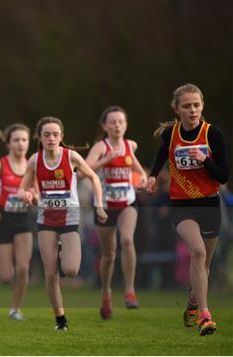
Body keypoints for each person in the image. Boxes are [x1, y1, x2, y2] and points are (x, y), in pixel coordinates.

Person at [146, 83, 228, 336]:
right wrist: (152, 177)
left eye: (196, 105)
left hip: (209, 204)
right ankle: (205, 315)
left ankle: (193, 300)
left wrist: (205, 161)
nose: (192, 110)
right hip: (181, 206)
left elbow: (223, 176)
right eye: (186, 106)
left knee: (203, 263)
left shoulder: (213, 134)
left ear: (202, 106)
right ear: (176, 108)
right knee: (197, 251)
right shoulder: (170, 135)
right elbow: (162, 154)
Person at [18, 116, 107, 331]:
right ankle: (61, 319)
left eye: (55, 134)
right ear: (40, 137)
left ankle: (62, 250)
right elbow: (23, 187)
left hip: (69, 218)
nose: (51, 138)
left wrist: (99, 206)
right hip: (46, 220)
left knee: (71, 270)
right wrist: (26, 195)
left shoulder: (71, 157)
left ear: (62, 137)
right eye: (46, 134)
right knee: (50, 274)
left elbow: (94, 178)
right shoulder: (35, 160)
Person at [85, 106, 147, 319]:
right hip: (104, 206)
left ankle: (130, 291)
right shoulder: (101, 147)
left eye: (121, 121)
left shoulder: (131, 145)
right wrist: (106, 159)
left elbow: (139, 172)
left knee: (128, 241)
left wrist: (144, 181)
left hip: (127, 203)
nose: (117, 125)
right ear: (105, 126)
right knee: (109, 255)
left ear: (126, 125)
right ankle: (106, 293)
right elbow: (86, 169)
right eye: (112, 122)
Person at [0, 123, 34, 320]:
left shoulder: (33, 165)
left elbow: (38, 192)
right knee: (6, 277)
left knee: (23, 267)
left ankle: (15, 309)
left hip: (23, 220)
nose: (21, 144)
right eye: (16, 140)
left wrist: (32, 196)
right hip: (2, 219)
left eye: (24, 140)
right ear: (9, 143)